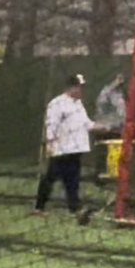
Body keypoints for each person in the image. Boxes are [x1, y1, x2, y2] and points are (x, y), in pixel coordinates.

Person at [33, 73, 95, 215]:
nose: (81, 90)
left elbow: (86, 123)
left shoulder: (78, 104)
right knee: (50, 178)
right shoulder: (57, 103)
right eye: (79, 87)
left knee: (72, 179)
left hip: (76, 149)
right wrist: (50, 144)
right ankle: (39, 207)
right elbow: (51, 125)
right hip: (61, 149)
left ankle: (74, 208)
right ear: (71, 87)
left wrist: (103, 126)